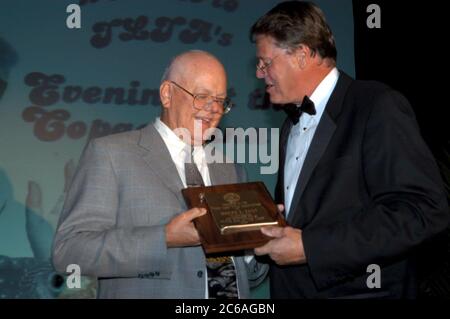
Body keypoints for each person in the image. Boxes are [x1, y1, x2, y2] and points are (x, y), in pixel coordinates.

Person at [251, 1, 449, 298]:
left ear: (303, 55)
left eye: (266, 63)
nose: (259, 73)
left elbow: (421, 211)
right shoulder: (289, 125)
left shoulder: (377, 105)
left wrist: (310, 247)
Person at [52, 50, 267, 298]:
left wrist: (259, 242)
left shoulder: (231, 170)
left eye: (221, 100)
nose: (213, 109)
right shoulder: (111, 154)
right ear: (167, 94)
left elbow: (249, 275)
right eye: (202, 96)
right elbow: (69, 252)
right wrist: (163, 238)